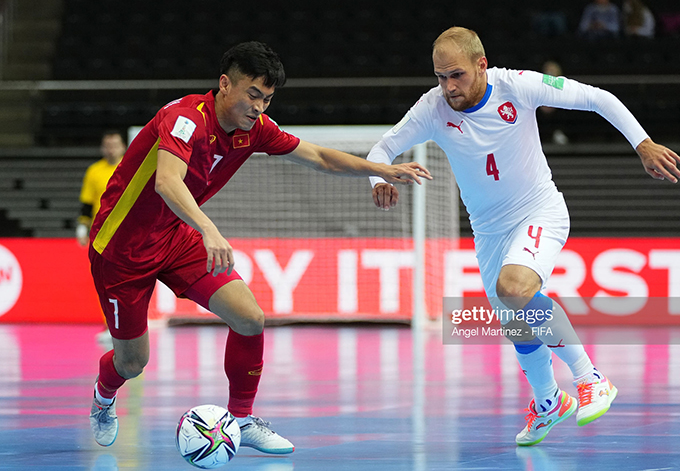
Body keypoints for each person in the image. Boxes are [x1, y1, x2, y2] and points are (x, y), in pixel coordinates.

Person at [87, 41, 431, 452]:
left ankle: (242, 419)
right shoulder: (184, 119)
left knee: (250, 318)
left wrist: (379, 169)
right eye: (252, 95)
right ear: (224, 84)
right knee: (132, 362)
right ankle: (103, 398)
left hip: (175, 237)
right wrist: (210, 230)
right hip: (122, 250)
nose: (259, 107)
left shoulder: (255, 131)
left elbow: (318, 156)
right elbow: (166, 182)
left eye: (267, 99)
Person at [367, 26, 680, 446]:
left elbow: (597, 97)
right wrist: (377, 180)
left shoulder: (518, 85)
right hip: (489, 231)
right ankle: (549, 401)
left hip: (539, 211)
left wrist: (642, 143)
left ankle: (591, 378)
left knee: (514, 290)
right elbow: (381, 150)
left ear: (482, 65)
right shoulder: (432, 109)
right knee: (519, 321)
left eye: (456, 75)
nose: (448, 86)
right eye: (440, 77)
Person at [76, 131, 127, 246]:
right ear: (102, 148)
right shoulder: (93, 171)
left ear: (123, 147)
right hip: (100, 230)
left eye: (115, 145)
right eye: (108, 146)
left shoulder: (131, 169)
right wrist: (82, 228)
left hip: (126, 227)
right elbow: (87, 202)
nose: (111, 149)